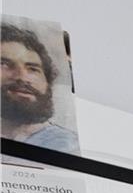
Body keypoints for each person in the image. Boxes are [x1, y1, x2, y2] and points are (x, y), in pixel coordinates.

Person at [2, 23, 78, 152]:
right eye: (3, 64)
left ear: (48, 82)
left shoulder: (67, 146)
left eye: (32, 69)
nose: (22, 77)